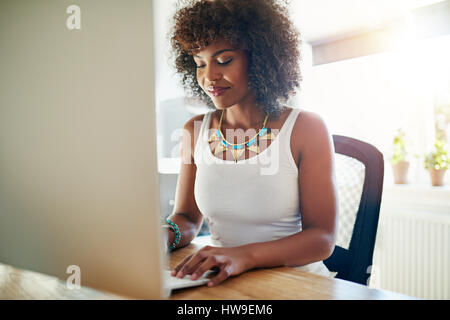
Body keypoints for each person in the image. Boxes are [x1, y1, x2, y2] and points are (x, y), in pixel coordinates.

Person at [163, 0, 338, 287]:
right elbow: (186, 218)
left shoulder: (307, 129)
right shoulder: (193, 131)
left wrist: (243, 256)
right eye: (199, 63)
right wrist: (164, 234)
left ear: (259, 58)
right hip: (222, 283)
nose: (209, 77)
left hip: (296, 284)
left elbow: (322, 238)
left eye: (224, 60)